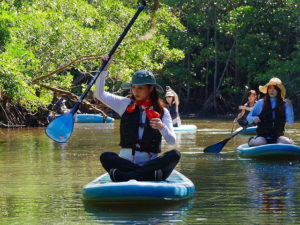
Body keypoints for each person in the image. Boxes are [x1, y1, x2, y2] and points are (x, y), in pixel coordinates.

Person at [94, 54, 180, 182]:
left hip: (150, 164)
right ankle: (146, 175)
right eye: (133, 87)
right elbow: (99, 95)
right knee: (106, 157)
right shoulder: (125, 104)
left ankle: (125, 176)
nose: (135, 91)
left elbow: (172, 141)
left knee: (174, 155)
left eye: (140, 88)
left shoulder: (163, 112)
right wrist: (104, 70)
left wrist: (162, 127)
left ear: (150, 89)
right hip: (127, 163)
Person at [246, 77, 294, 146]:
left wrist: (289, 107)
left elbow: (290, 122)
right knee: (260, 143)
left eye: (274, 88)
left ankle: (289, 141)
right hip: (263, 137)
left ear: (279, 90)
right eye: (270, 88)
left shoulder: (285, 104)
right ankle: (252, 140)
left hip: (278, 137)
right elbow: (248, 117)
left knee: (287, 143)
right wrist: (254, 118)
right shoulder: (261, 103)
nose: (272, 90)